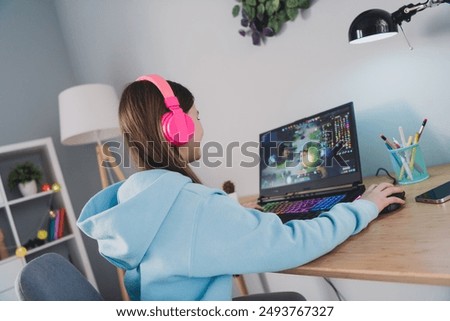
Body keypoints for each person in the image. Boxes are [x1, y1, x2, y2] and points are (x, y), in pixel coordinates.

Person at [77, 74, 405, 301]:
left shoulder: (133, 198)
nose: (202, 128)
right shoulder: (193, 205)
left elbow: (180, 252)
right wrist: (366, 207)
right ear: (177, 128)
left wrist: (230, 221)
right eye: (197, 116)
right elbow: (294, 244)